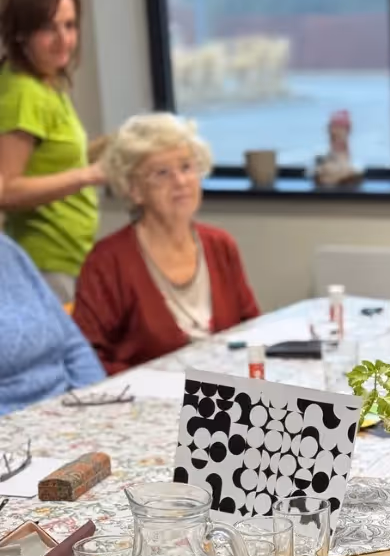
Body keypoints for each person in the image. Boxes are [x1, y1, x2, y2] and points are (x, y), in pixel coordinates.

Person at [73, 113, 260, 374]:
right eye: (162, 173)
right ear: (134, 189)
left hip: (226, 390)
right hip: (146, 395)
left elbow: (252, 329)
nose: (180, 182)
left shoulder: (220, 245)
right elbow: (88, 357)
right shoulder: (107, 262)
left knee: (313, 401)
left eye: (186, 167)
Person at [0, 0, 106, 303]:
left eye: (70, 26)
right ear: (21, 33)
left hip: (69, 257)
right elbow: (6, 190)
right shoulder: (24, 92)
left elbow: (51, 161)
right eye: (49, 28)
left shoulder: (47, 82)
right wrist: (88, 175)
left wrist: (110, 150)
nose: (64, 40)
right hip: (46, 262)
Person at [0, 170, 104, 416]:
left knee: (194, 428)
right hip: (17, 425)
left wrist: (96, 403)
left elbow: (73, 344)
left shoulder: (8, 250)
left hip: (69, 411)